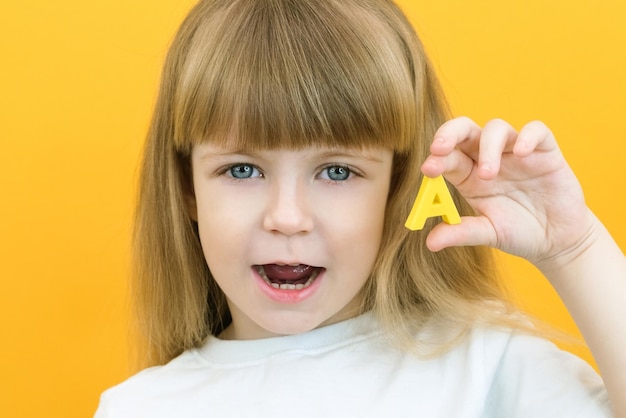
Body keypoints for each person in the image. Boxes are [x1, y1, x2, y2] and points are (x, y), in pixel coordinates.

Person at [95, 0, 626, 416]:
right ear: (187, 187)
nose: (287, 217)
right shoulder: (139, 408)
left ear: (396, 188)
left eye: (337, 171)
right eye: (242, 170)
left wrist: (574, 248)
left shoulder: (483, 364)